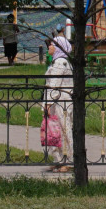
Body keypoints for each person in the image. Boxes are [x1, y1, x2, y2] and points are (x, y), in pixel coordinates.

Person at [40, 35, 74, 174]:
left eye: (52, 44)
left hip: (61, 103)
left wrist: (47, 104)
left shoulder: (60, 62)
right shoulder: (58, 61)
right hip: (59, 102)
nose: (49, 47)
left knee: (63, 130)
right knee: (55, 131)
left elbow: (54, 85)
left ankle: (67, 160)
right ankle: (58, 160)